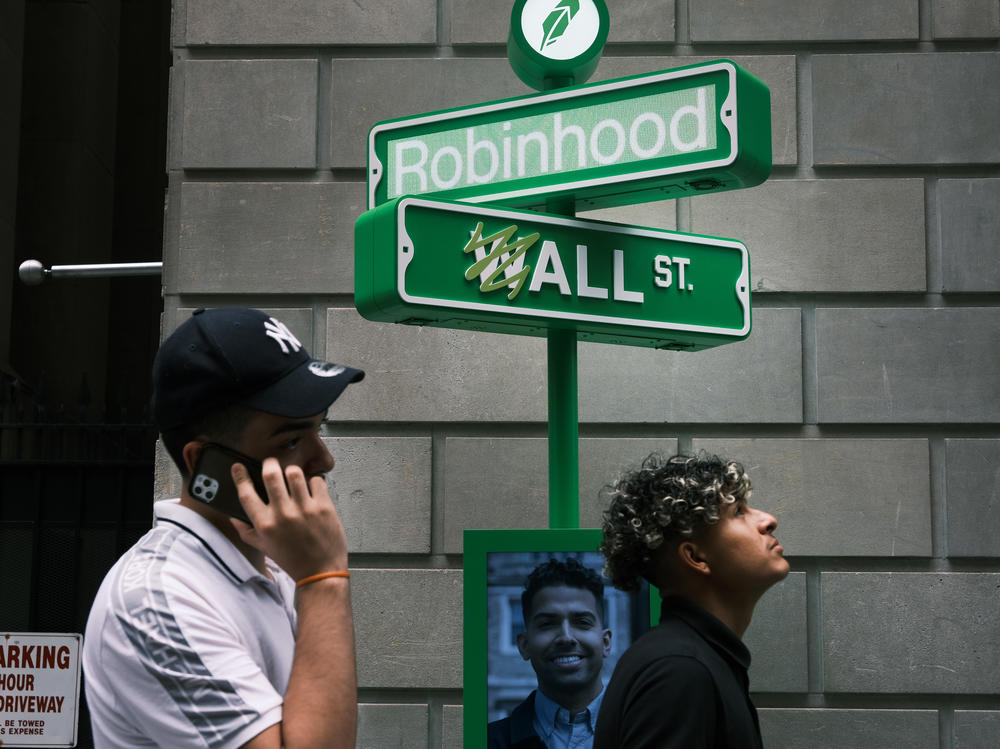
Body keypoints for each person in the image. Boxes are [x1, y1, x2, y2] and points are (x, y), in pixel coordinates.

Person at [82, 307, 365, 749]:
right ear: (205, 465)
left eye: (318, 429)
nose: (324, 460)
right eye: (292, 440)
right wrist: (324, 579)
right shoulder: (157, 602)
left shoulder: (276, 564)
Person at [593, 452, 790, 749]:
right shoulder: (680, 672)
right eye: (738, 511)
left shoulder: (695, 661)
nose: (767, 520)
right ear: (696, 557)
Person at [488, 558, 613, 749]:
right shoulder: (488, 741)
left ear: (605, 642)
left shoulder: (646, 734)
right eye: (547, 624)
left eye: (582, 622)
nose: (566, 637)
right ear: (524, 645)